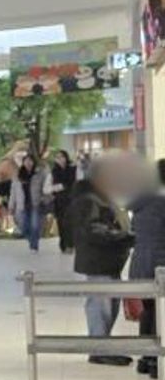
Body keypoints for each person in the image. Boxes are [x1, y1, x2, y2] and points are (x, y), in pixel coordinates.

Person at [71, 155, 135, 365]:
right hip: (99, 262)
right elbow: (93, 231)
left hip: (108, 261)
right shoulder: (89, 200)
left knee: (109, 307)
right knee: (101, 307)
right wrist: (124, 237)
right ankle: (99, 350)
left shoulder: (102, 198)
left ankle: (103, 346)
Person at [128, 159, 165, 379]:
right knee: (159, 311)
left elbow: (134, 230)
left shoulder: (140, 201)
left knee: (148, 310)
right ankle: (155, 361)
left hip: (141, 261)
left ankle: (146, 358)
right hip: (161, 264)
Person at [8, 152, 46, 251]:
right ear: (23, 162)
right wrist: (11, 206)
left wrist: (44, 199)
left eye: (30, 161)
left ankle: (34, 245)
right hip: (21, 206)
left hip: (35, 204)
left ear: (33, 163)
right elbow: (13, 193)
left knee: (35, 226)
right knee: (23, 227)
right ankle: (32, 240)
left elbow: (45, 188)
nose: (28, 163)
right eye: (26, 161)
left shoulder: (39, 175)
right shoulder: (17, 176)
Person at [49, 149, 78, 252]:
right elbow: (51, 186)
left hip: (71, 199)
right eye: (57, 157)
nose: (60, 159)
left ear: (66, 158)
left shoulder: (73, 169)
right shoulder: (54, 171)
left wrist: (63, 186)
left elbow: (73, 183)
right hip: (59, 201)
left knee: (69, 223)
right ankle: (63, 245)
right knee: (61, 223)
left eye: (62, 157)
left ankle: (70, 244)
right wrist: (58, 187)